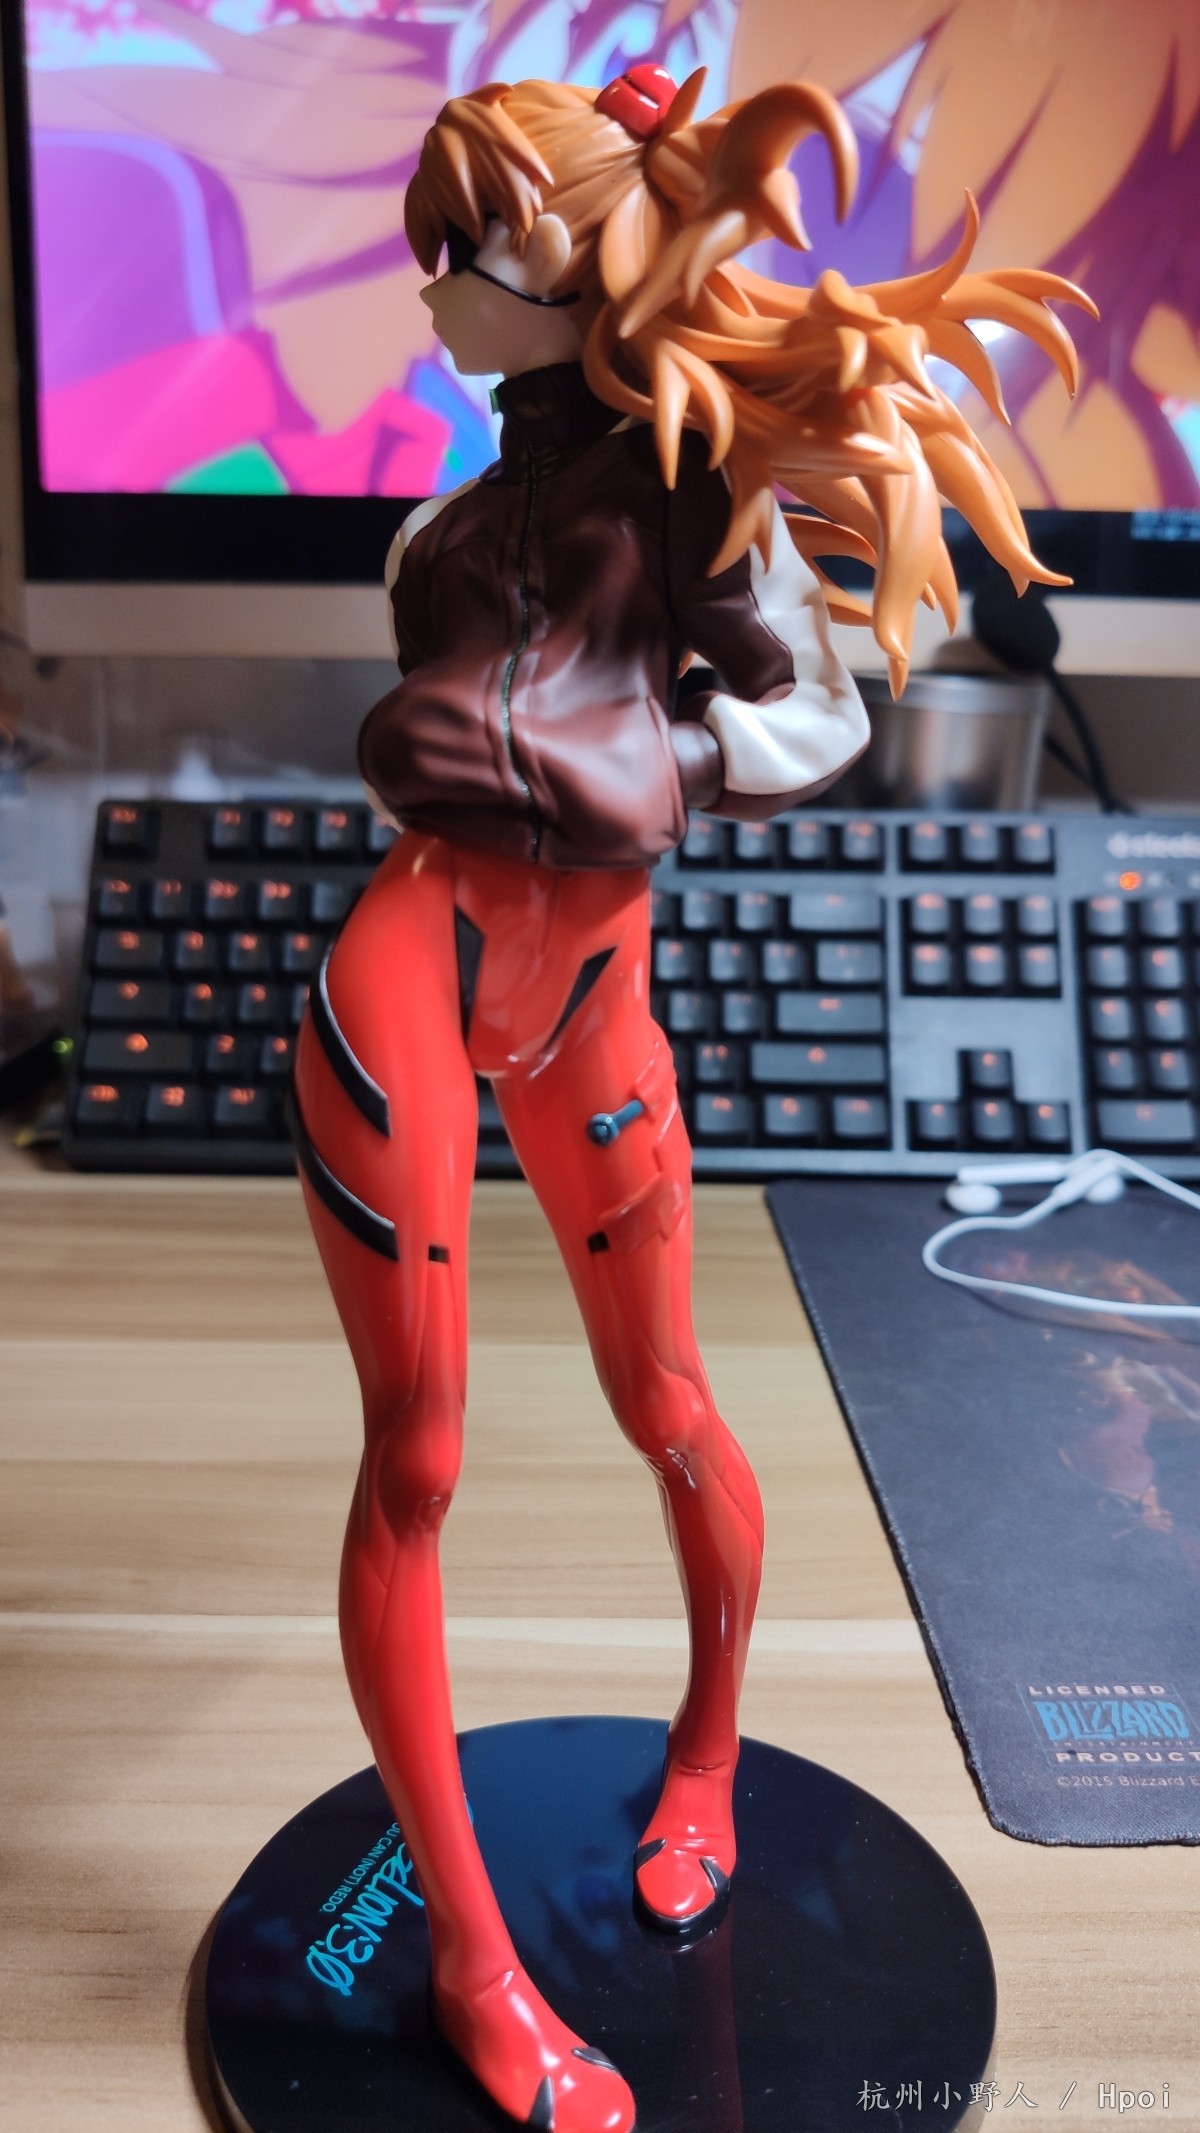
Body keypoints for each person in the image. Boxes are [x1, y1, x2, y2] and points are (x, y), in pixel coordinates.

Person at [291, 64, 1090, 2133]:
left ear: (571, 257)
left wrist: (657, 761)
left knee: (670, 1403)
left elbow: (813, 715)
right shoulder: (440, 533)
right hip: (413, 965)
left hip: (594, 986)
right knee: (418, 1456)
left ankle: (709, 1753)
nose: (433, 292)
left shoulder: (689, 490)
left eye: (463, 250)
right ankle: (477, 1967)